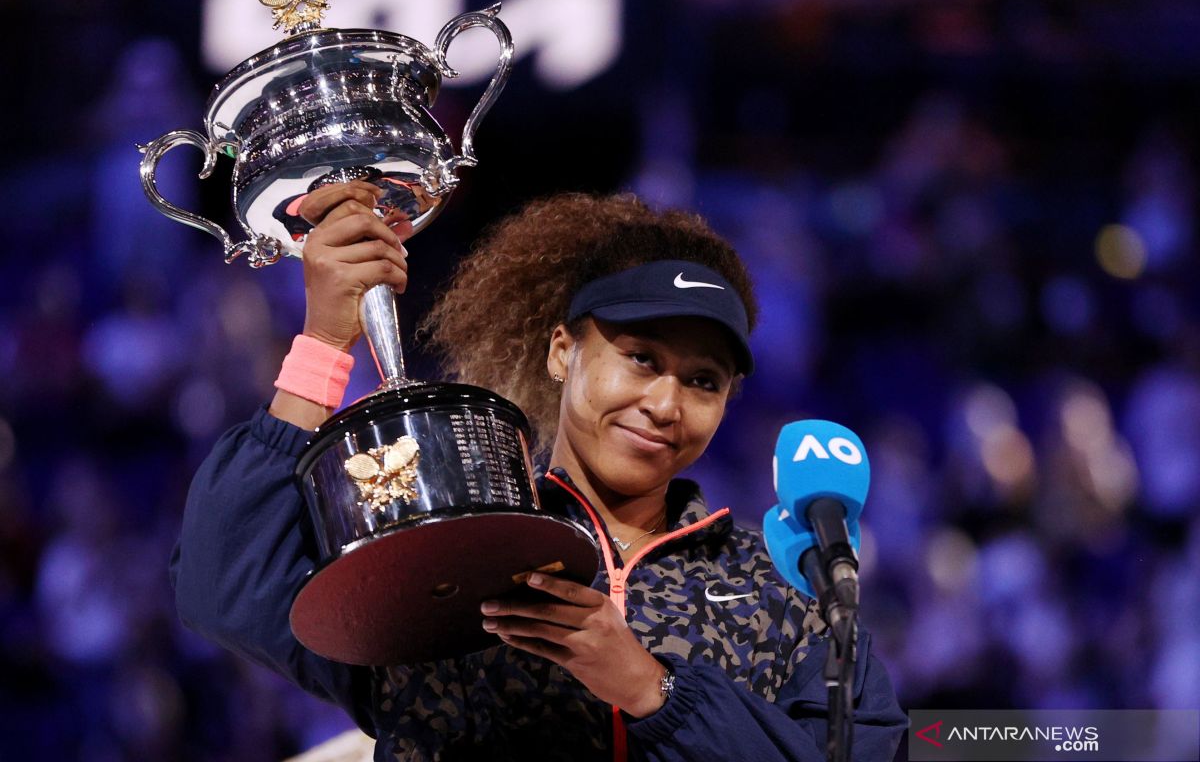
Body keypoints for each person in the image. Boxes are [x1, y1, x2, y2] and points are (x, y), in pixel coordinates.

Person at [170, 184, 907, 761]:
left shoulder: (784, 591)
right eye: (641, 359)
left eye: (703, 381)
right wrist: (326, 341)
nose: (663, 404)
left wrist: (655, 693)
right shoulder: (450, 545)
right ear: (562, 352)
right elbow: (223, 584)